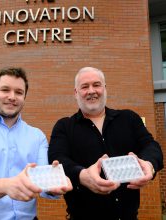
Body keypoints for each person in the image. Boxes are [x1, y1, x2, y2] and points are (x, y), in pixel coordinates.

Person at [0, 67, 72, 220]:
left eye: (19, 92)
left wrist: (53, 186)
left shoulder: (37, 136)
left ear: (24, 98)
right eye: (5, 90)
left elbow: (42, 184)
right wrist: (6, 186)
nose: (12, 97)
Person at [48, 67, 164, 220]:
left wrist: (149, 165)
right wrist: (82, 175)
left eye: (96, 85)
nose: (91, 91)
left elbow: (151, 146)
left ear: (104, 88)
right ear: (76, 93)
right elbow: (57, 159)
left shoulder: (129, 119)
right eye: (84, 86)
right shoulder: (64, 127)